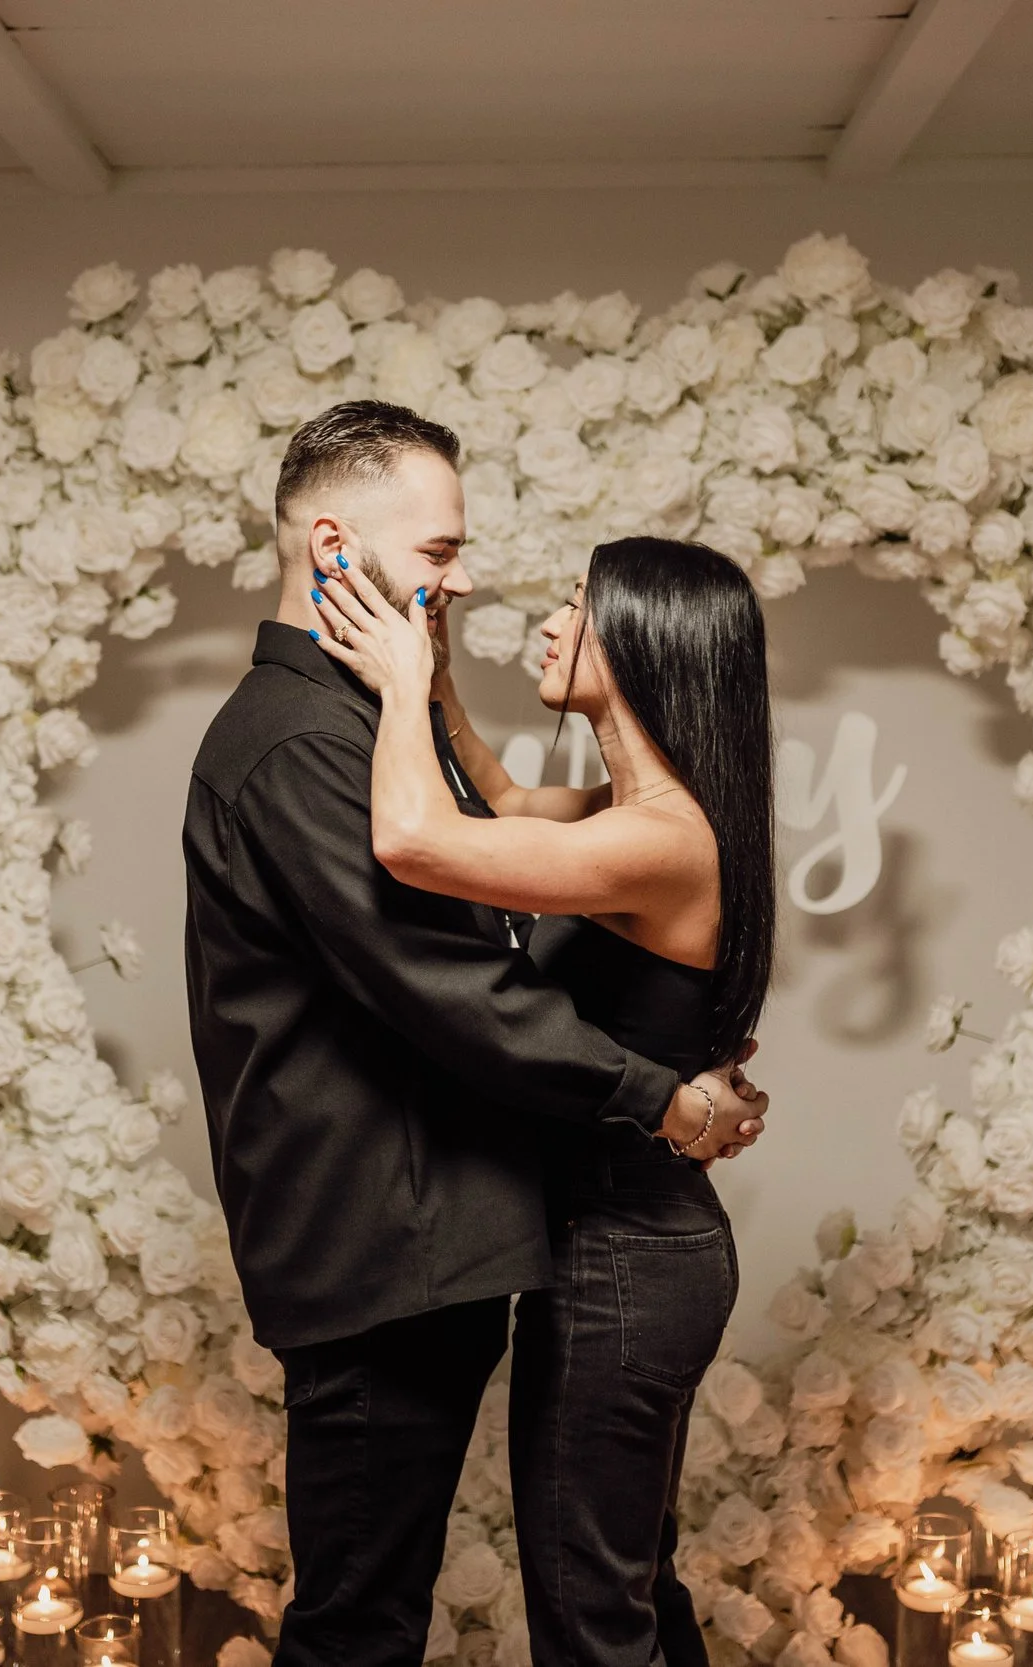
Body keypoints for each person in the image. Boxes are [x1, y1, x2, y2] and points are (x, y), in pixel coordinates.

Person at [181, 402, 768, 1667]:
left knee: (586, 1600)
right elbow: (443, 975)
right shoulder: (303, 742)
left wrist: (413, 681)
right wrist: (663, 1092)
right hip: (378, 1255)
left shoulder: (364, 733)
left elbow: (468, 877)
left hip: (485, 1247)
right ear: (332, 545)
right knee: (372, 1624)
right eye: (439, 552)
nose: (465, 579)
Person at [311, 534, 773, 1667]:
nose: (553, 620)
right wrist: (444, 678)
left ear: (645, 642)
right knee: (625, 1591)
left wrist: (402, 688)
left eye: (579, 603)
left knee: (589, 1614)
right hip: (631, 1249)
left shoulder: (660, 841)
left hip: (627, 1257)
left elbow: (417, 840)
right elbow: (506, 795)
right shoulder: (640, 812)